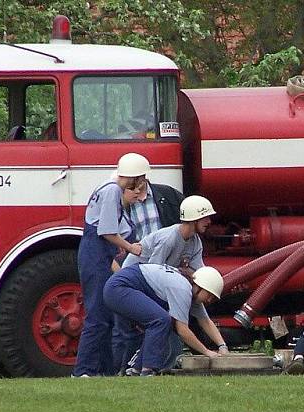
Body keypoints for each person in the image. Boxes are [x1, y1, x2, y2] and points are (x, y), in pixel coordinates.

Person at [117, 195, 230, 373]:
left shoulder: (195, 243)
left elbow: (200, 277)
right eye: (205, 217)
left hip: (165, 286)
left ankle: (146, 369)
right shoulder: (169, 238)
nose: (209, 221)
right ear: (193, 218)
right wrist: (208, 352)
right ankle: (130, 370)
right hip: (136, 285)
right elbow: (151, 272)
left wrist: (222, 346)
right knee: (155, 325)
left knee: (166, 324)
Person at [71, 153, 146, 377]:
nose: (141, 185)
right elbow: (106, 231)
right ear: (134, 178)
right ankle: (83, 369)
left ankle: (104, 370)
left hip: (96, 253)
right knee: (96, 316)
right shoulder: (113, 190)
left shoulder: (105, 187)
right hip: (95, 254)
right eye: (140, 180)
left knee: (104, 315)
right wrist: (130, 247)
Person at [104, 264, 225, 376]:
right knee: (161, 320)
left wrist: (222, 346)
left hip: (119, 287)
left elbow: (205, 321)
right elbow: (182, 330)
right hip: (119, 288)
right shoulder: (182, 289)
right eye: (210, 295)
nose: (209, 300)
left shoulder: (189, 289)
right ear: (200, 287)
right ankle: (148, 369)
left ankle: (137, 369)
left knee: (158, 322)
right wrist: (207, 352)